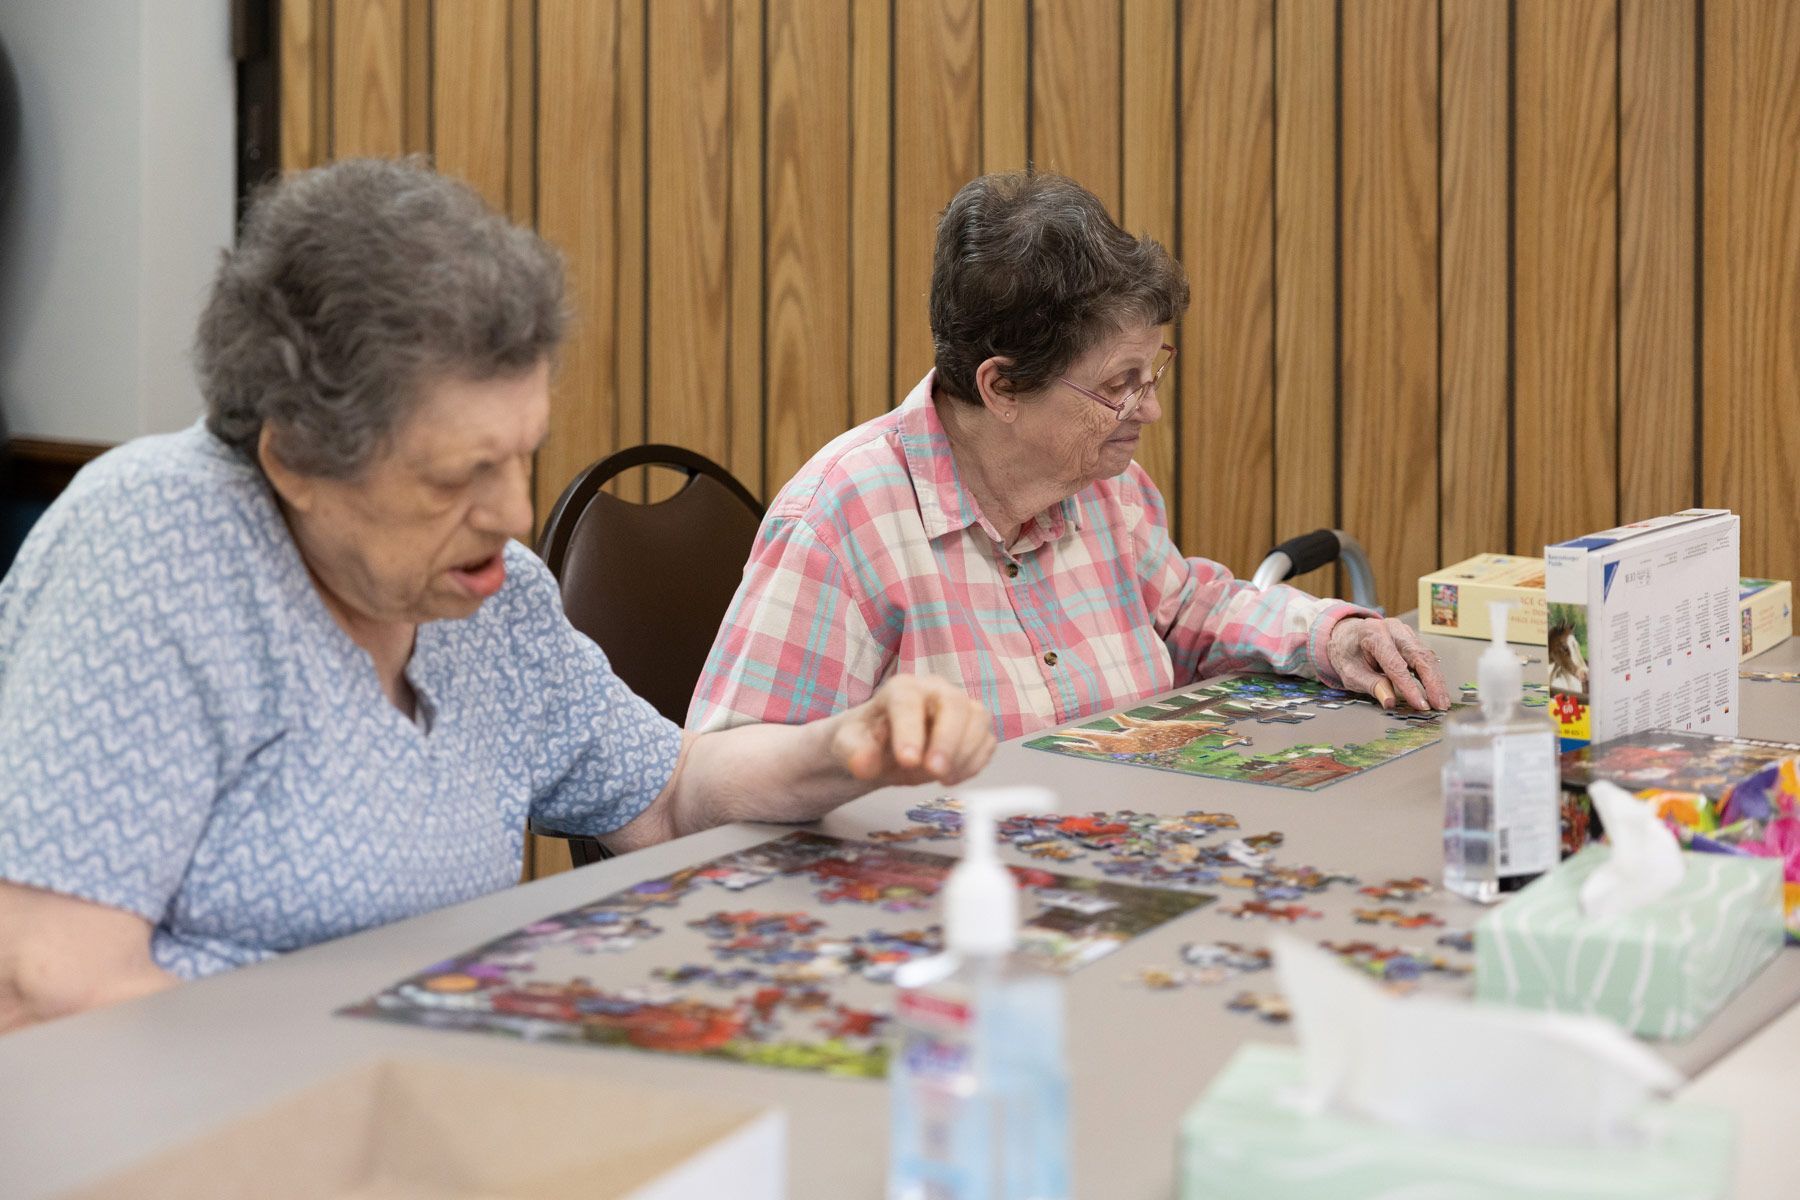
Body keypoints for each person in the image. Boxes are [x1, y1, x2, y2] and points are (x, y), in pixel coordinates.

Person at [0, 159, 994, 1033]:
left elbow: (671, 795)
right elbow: (52, 992)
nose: (514, 514)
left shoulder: (495, 601)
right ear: (296, 457)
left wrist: (846, 747)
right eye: (454, 479)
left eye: (525, 455)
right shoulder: (150, 550)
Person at [690, 171, 1448, 741]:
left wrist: (1331, 636)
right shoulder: (841, 519)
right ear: (1002, 386)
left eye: (1153, 373)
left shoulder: (1103, 484)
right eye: (1120, 384)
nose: (1147, 408)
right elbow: (733, 776)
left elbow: (1186, 612)